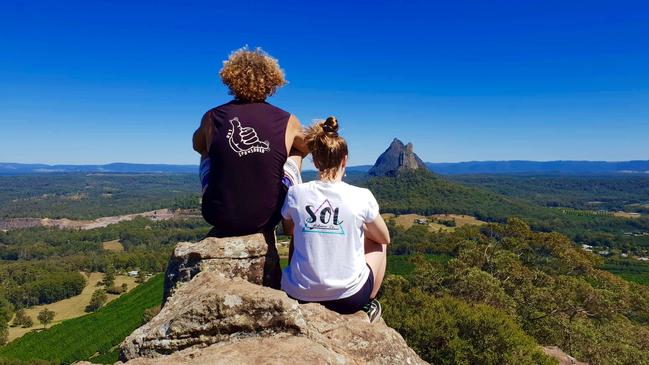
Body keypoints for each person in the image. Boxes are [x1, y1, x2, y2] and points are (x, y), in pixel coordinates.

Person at [280, 117, 390, 323]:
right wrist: (355, 228)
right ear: (345, 160)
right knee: (380, 244)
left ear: (316, 160)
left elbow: (289, 229)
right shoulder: (361, 195)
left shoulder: (296, 193)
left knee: (298, 234)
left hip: (297, 295)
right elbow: (385, 237)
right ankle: (369, 303)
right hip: (348, 300)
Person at [193, 47, 308, 238]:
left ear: (231, 79)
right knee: (297, 153)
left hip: (218, 216)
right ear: (272, 82)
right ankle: (290, 224)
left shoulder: (212, 117)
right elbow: (306, 147)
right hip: (268, 217)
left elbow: (197, 146)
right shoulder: (287, 120)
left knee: (207, 152)